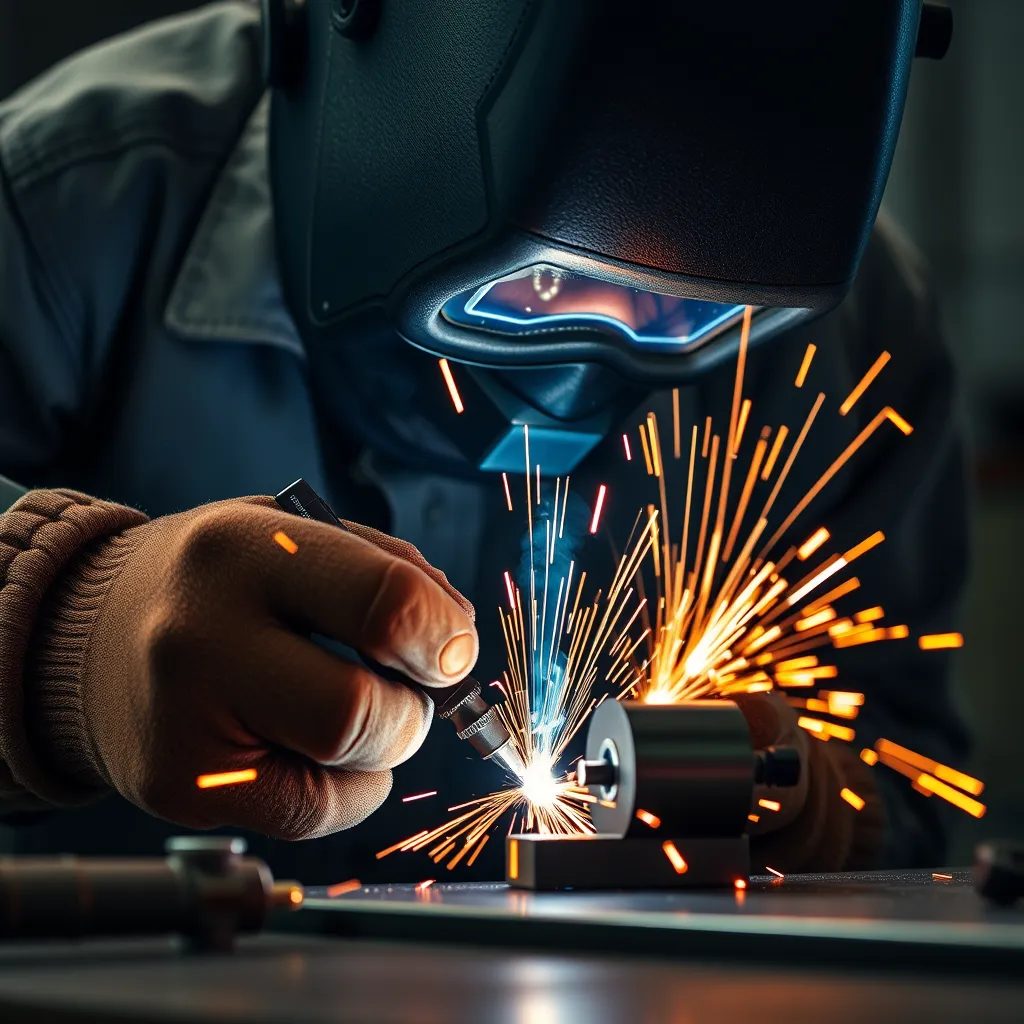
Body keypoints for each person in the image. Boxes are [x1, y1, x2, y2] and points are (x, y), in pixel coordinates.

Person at [0, 1, 969, 882]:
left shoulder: (850, 334)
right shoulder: (65, 203)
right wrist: (64, 633)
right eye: (537, 287)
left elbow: (913, 766)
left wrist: (812, 798)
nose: (599, 353)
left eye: (680, 314)